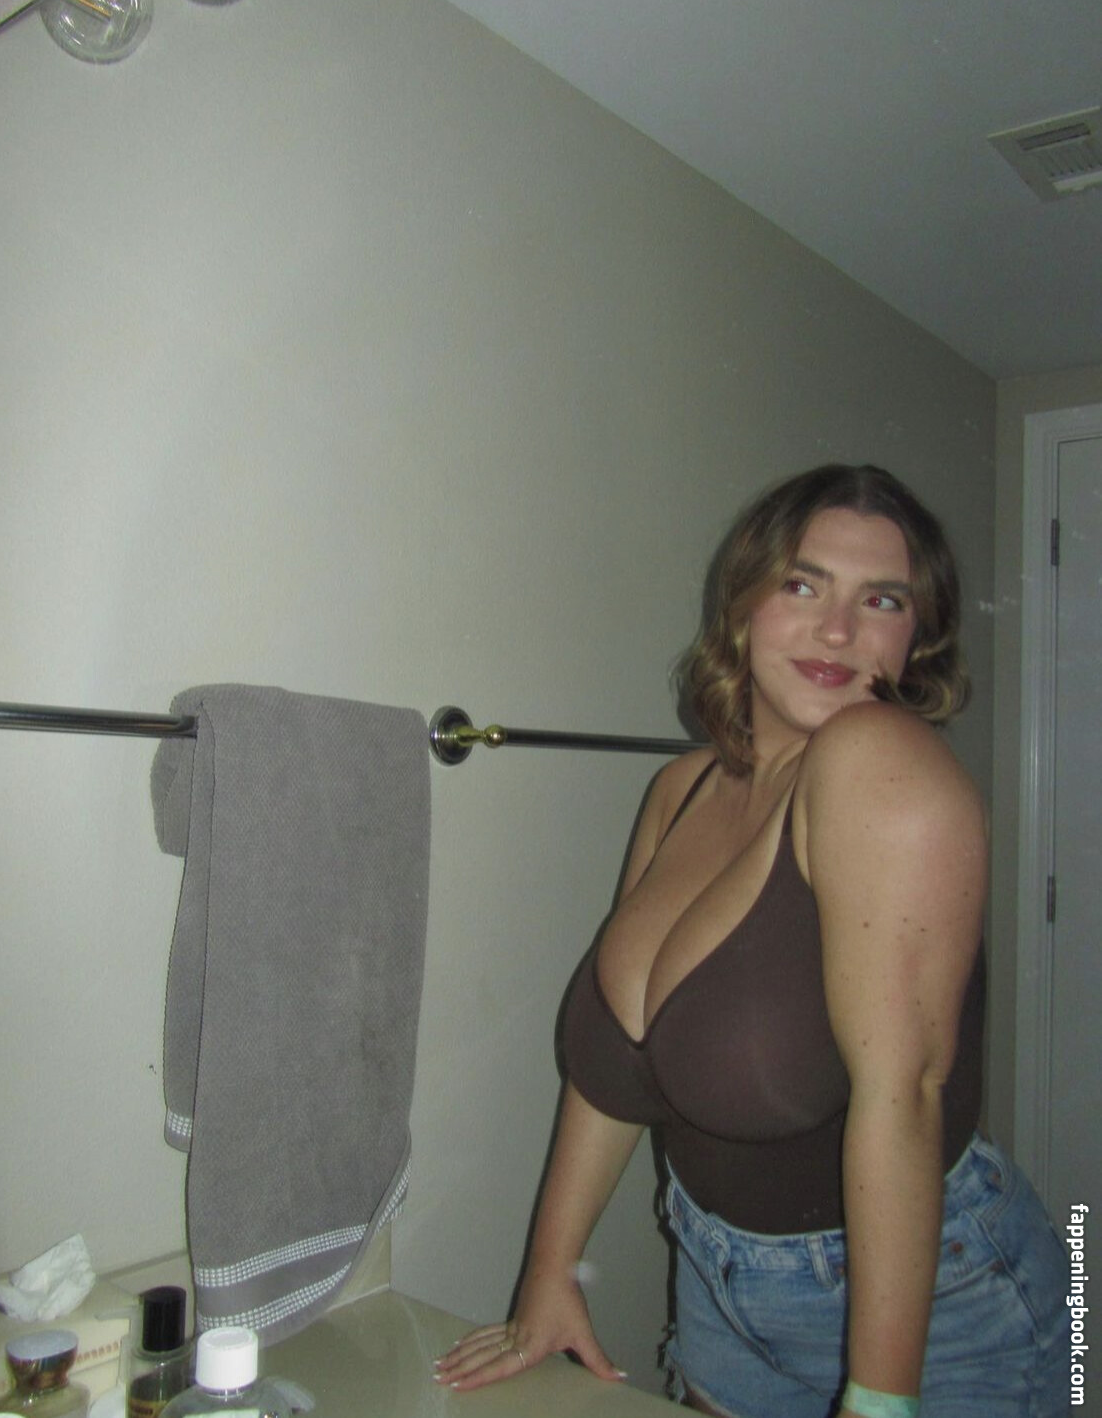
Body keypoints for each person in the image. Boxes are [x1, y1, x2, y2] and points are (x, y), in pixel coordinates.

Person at [433, 465, 1069, 1418]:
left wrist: (881, 1399)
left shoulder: (878, 762)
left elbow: (904, 1099)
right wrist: (549, 1274)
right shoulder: (680, 789)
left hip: (940, 1314)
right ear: (742, 602)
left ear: (919, 636)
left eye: (882, 600)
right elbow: (612, 1075)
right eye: (803, 585)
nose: (838, 631)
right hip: (716, 1289)